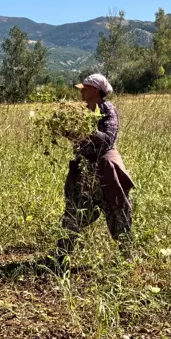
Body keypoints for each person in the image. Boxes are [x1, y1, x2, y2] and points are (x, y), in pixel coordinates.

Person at [54, 74, 134, 264]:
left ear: (96, 91)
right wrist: (64, 127)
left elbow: (106, 140)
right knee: (74, 212)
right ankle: (60, 258)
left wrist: (84, 128)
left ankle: (127, 258)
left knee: (118, 212)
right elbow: (75, 138)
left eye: (85, 88)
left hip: (106, 169)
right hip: (83, 168)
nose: (81, 91)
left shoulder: (108, 110)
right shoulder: (80, 111)